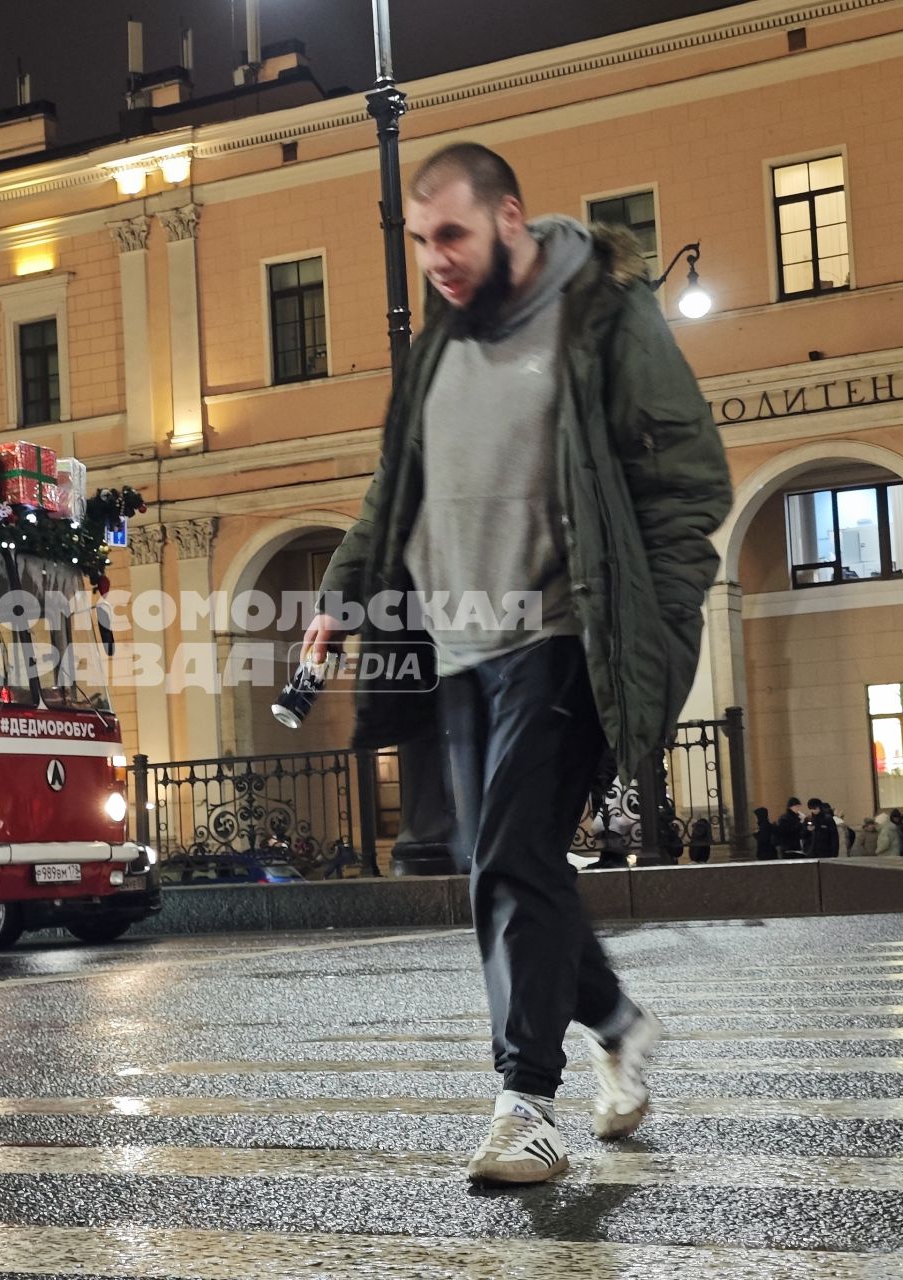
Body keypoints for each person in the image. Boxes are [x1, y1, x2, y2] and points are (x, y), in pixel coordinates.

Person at [303, 141, 731, 1186]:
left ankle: (523, 1102)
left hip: (563, 633)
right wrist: (338, 600)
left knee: (507, 855)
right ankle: (620, 1022)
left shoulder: (604, 313)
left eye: (450, 233)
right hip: (457, 650)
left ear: (509, 218)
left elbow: (689, 482)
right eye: (419, 241)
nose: (435, 259)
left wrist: (657, 623)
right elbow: (389, 489)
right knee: (517, 860)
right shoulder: (441, 339)